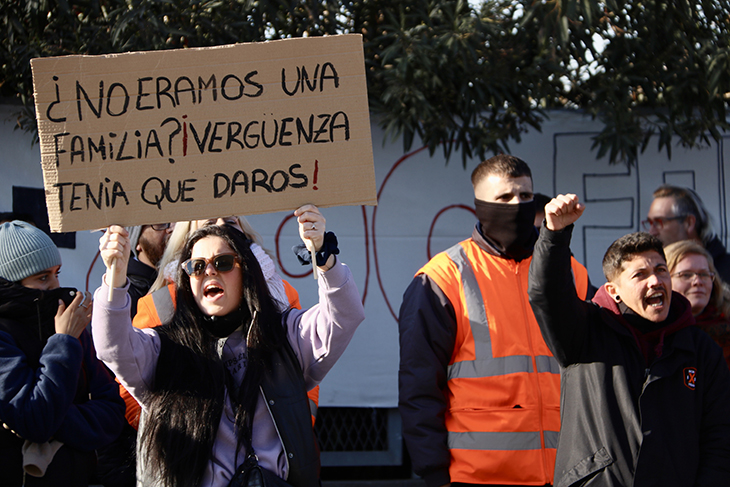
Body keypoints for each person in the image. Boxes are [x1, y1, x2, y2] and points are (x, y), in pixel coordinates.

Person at [91, 205, 365, 487]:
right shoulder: (164, 346)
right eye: (196, 267)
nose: (209, 271)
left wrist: (323, 256)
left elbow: (344, 316)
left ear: (245, 268)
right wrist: (114, 278)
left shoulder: (284, 333)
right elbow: (113, 347)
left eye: (222, 262)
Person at [398, 154, 591, 487]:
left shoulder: (571, 271)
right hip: (479, 475)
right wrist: (434, 472)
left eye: (525, 196)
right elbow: (419, 386)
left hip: (570, 471)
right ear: (479, 207)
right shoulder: (441, 278)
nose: (517, 205)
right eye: (504, 198)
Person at [528, 194, 730, 486]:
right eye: (640, 274)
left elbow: (719, 438)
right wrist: (554, 235)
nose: (655, 281)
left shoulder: (700, 349)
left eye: (661, 270)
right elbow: (546, 293)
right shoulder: (585, 331)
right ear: (613, 291)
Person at [0, 220, 125, 486]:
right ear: (11, 282)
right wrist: (64, 341)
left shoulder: (70, 324)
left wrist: (50, 420)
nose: (56, 284)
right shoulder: (58, 332)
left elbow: (113, 414)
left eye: (57, 273)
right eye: (43, 277)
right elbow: (36, 419)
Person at [665, 239, 730, 369]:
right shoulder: (655, 335)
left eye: (704, 274)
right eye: (686, 275)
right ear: (664, 280)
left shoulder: (726, 328)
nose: (698, 281)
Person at [644, 184, 730, 281]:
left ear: (689, 223)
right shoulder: (653, 275)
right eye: (650, 223)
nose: (651, 232)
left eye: (659, 222)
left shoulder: (726, 272)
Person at [125, 223, 173, 316]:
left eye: (173, 222)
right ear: (137, 241)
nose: (170, 229)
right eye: (160, 224)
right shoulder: (123, 297)